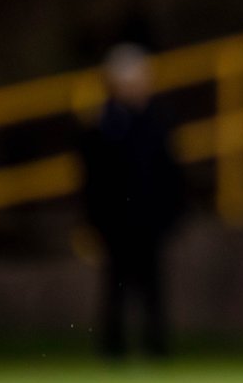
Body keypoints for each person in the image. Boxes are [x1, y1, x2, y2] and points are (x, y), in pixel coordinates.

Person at [79, 42, 186, 360]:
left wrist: (172, 213)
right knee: (116, 286)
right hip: (115, 221)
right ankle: (113, 350)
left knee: (153, 287)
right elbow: (92, 178)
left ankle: (157, 348)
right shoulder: (102, 124)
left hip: (150, 220)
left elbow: (171, 172)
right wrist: (94, 219)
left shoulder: (157, 120)